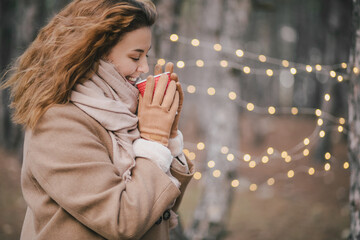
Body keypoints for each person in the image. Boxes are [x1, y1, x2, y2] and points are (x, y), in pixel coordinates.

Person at [1, 0, 194, 239]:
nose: (144, 67)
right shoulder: (58, 122)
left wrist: (169, 139)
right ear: (94, 54)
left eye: (146, 55)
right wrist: (153, 140)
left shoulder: (123, 112)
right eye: (135, 57)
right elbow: (122, 220)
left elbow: (161, 206)